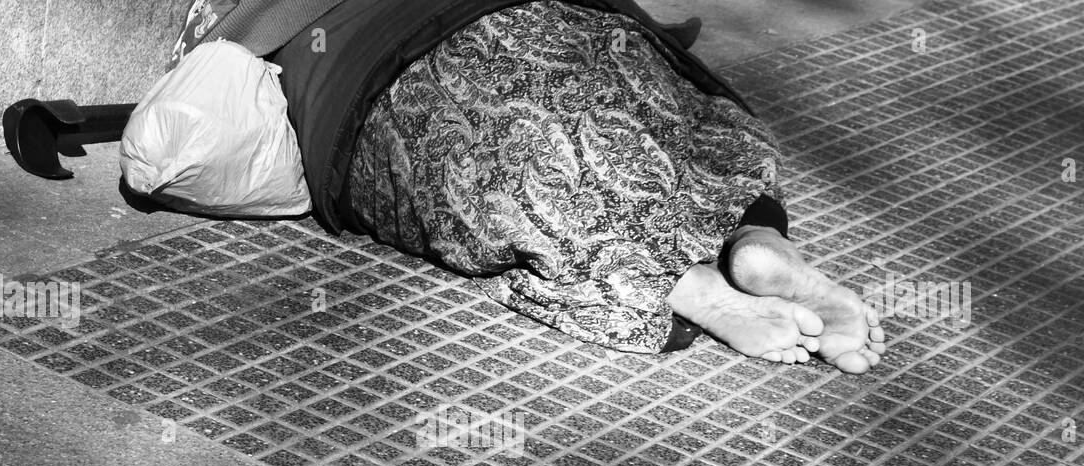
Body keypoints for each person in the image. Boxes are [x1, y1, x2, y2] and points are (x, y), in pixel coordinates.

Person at [262, 0, 886, 372]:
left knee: (493, 162)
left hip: (360, 73)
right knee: (635, 111)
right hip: (539, 16)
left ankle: (674, 282)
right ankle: (749, 227)